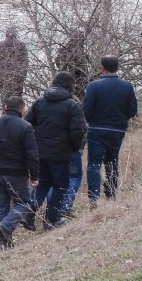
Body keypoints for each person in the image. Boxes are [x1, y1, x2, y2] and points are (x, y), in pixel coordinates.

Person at [25, 72, 88, 228]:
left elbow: (26, 125)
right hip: (61, 153)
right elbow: (78, 130)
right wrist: (74, 147)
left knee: (43, 183)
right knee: (61, 185)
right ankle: (52, 219)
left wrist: (33, 144)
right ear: (70, 86)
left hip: (40, 152)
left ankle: (28, 215)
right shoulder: (72, 105)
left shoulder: (39, 102)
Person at [0, 95, 40, 248]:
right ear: (22, 109)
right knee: (25, 203)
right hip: (17, 173)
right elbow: (32, 154)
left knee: (1, 206)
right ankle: (6, 228)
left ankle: (3, 243)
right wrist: (34, 176)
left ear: (5, 107)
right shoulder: (25, 126)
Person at [83, 55, 138, 205]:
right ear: (117, 67)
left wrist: (93, 120)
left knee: (94, 164)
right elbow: (133, 110)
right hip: (117, 130)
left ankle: (94, 198)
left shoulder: (94, 86)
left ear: (102, 68)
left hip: (97, 129)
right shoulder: (127, 86)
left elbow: (86, 110)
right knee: (112, 162)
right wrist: (120, 119)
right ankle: (112, 196)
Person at [54, 29, 93, 207]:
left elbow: (57, 61)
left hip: (68, 86)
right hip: (76, 89)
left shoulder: (64, 49)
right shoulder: (77, 51)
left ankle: (54, 205)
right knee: (74, 175)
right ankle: (65, 206)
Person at [0, 27, 28, 100]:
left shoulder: (0, 44)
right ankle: (17, 110)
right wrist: (23, 75)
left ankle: (5, 110)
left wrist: (1, 57)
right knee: (17, 97)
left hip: (3, 74)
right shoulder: (21, 45)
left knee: (4, 96)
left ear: (6, 35)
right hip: (18, 75)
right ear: (16, 35)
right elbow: (25, 62)